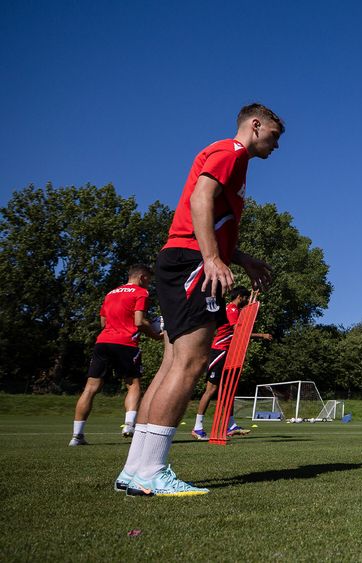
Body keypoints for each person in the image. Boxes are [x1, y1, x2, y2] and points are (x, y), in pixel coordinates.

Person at [117, 103, 283, 497]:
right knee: (191, 364)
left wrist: (239, 258)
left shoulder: (227, 156)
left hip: (182, 256)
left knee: (172, 364)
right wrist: (211, 258)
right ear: (255, 125)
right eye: (275, 136)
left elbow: (213, 214)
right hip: (192, 260)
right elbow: (200, 199)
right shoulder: (231, 153)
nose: (277, 146)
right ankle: (154, 471)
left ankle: (135, 469)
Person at [70, 265, 162, 446]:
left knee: (90, 388)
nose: (149, 284)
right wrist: (156, 335)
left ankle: (76, 436)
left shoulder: (111, 293)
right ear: (142, 277)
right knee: (133, 384)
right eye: (149, 280)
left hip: (103, 342)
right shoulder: (141, 293)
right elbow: (139, 321)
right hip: (126, 343)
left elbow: (103, 322)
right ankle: (129, 425)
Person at [189, 287, 272, 440]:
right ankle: (198, 427)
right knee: (211, 389)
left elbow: (247, 316)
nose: (246, 301)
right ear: (240, 297)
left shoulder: (235, 308)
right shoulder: (232, 309)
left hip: (228, 352)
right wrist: (261, 335)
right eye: (246, 298)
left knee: (228, 388)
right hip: (219, 350)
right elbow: (238, 331)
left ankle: (230, 425)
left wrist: (253, 299)